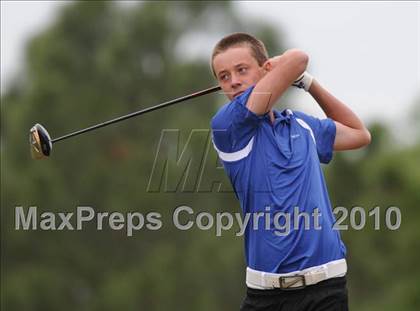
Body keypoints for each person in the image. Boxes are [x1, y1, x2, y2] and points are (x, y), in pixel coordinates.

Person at [210, 33, 371, 311]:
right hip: (267, 295)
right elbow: (297, 58)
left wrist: (309, 83)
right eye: (223, 76)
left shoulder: (301, 125)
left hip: (327, 288)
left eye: (241, 70)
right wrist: (283, 69)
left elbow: (359, 134)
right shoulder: (228, 127)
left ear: (266, 69)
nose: (233, 81)